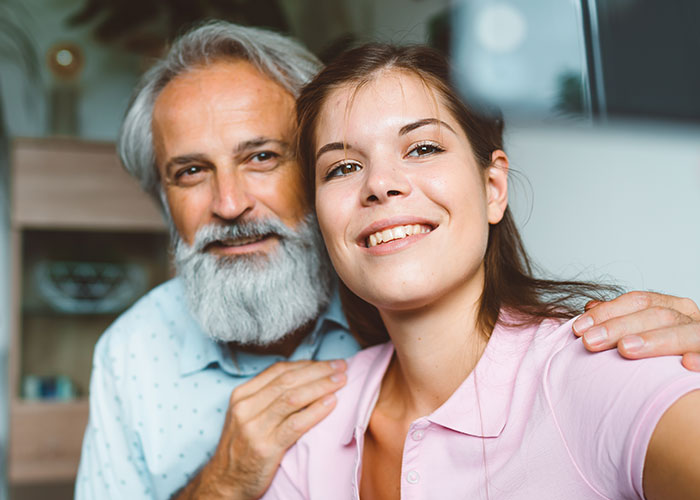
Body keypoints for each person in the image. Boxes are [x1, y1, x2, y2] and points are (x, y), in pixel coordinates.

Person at [75, 22, 700, 500]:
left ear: (493, 187)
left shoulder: (597, 371)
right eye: (190, 172)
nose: (231, 203)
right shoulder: (140, 359)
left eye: (263, 156)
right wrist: (222, 481)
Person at [262, 43, 700, 499]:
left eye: (422, 148)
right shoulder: (311, 425)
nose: (379, 184)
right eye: (343, 167)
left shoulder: (597, 371)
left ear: (493, 188)